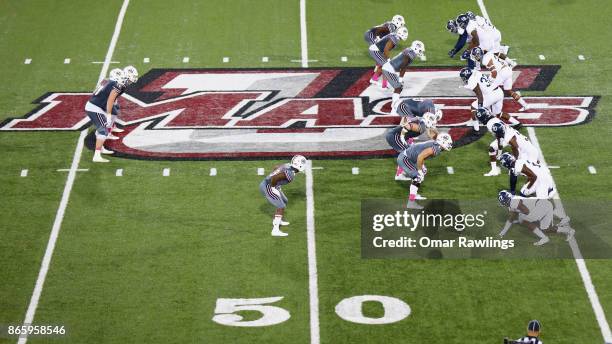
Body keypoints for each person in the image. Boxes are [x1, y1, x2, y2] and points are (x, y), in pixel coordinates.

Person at [259, 155, 307, 237]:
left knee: (285, 201)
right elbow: (275, 177)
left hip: (268, 183)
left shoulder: (288, 165)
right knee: (281, 206)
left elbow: (276, 167)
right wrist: (273, 187)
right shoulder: (290, 175)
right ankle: (275, 230)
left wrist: (277, 184)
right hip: (268, 186)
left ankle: (278, 219)